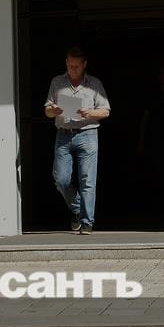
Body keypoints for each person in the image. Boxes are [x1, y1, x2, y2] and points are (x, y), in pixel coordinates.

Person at [44, 46, 110, 234]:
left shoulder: (94, 84)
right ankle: (77, 209)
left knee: (87, 180)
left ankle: (87, 222)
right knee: (61, 179)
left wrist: (89, 113)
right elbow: (47, 110)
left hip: (87, 133)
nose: (73, 69)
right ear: (66, 63)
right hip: (63, 134)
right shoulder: (57, 82)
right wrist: (54, 111)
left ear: (84, 65)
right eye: (70, 65)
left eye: (76, 66)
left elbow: (105, 111)